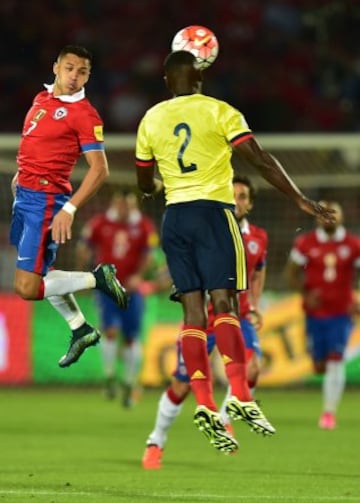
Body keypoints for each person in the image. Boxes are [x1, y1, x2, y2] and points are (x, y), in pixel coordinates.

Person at [135, 50, 334, 454]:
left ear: (166, 81)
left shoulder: (150, 119)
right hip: (213, 214)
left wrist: (158, 186)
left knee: (192, 313)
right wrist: (298, 199)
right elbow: (259, 159)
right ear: (201, 80)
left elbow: (143, 182)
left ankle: (206, 403)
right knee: (224, 304)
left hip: (175, 218)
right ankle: (240, 395)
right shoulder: (220, 111)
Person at [10, 45, 128, 369]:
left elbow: (99, 169)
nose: (74, 76)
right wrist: (22, 173)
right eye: (70, 68)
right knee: (44, 275)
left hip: (46, 202)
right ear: (56, 68)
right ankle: (80, 328)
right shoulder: (42, 100)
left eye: (83, 72)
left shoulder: (84, 114)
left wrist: (69, 209)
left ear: (89, 77)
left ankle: (98, 279)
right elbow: (38, 144)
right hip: (26, 198)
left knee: (27, 287)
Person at [142, 175, 268, 469]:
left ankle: (224, 420)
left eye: (243, 196)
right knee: (181, 385)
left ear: (249, 205)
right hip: (202, 322)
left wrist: (256, 305)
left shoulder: (258, 238)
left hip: (237, 318)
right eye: (232, 193)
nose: (236, 200)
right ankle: (155, 441)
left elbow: (259, 270)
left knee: (253, 366)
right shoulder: (203, 231)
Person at [76, 190, 165, 406]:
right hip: (108, 287)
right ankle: (109, 376)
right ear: (115, 204)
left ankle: (129, 381)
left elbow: (151, 255)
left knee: (131, 338)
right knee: (110, 331)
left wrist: (139, 276)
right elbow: (84, 246)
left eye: (128, 204)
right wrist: (83, 271)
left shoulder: (144, 226)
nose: (124, 208)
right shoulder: (100, 223)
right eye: (120, 204)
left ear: (133, 206)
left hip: (132, 291)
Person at [284, 201, 360, 430]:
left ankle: (328, 413)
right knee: (319, 365)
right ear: (317, 217)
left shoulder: (353, 244)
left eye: (333, 212)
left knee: (336, 357)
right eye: (323, 213)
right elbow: (291, 273)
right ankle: (320, 364)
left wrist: (356, 299)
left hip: (341, 312)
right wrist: (305, 294)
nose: (329, 217)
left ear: (342, 216)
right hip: (315, 313)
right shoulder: (305, 242)